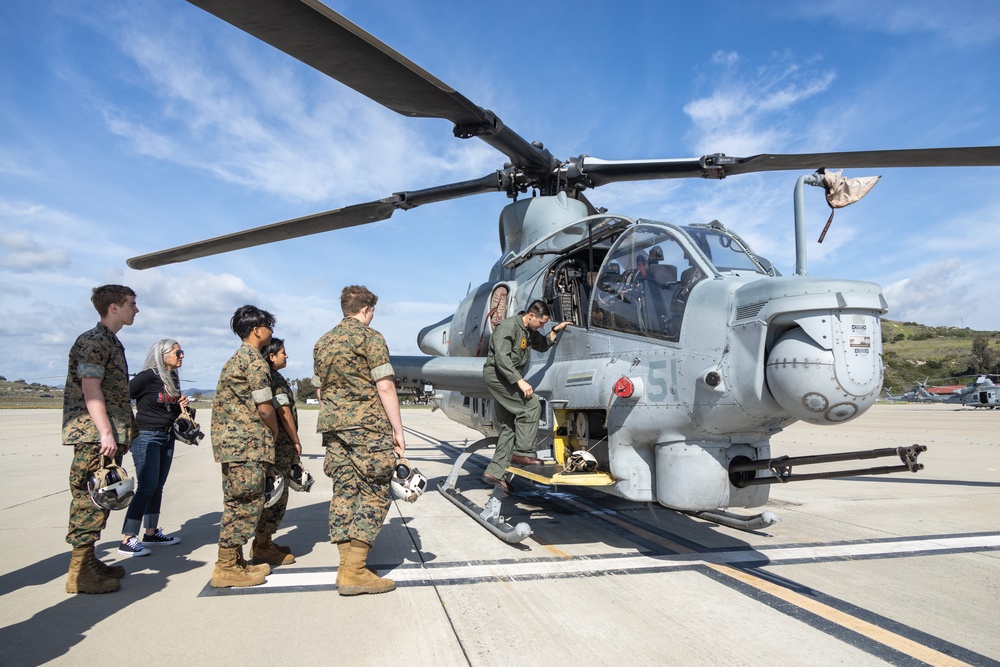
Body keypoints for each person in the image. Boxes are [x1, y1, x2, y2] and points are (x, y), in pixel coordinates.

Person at [314, 285, 405, 596]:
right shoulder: (371, 338)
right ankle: (355, 571)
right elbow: (385, 386)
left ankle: (345, 567)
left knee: (344, 492)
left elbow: (320, 391)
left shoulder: (322, 343)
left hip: (334, 427)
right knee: (376, 493)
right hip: (367, 427)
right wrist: (398, 429)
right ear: (366, 309)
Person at [63, 284, 139, 594]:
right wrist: (106, 433)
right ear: (114, 308)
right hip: (95, 437)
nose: (136, 309)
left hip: (108, 436)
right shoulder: (94, 341)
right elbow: (90, 387)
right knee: (90, 500)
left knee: (103, 498)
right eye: (131, 304)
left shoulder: (110, 341)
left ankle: (88, 562)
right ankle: (80, 573)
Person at [209, 305, 279, 588]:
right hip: (247, 445)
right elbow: (264, 407)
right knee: (245, 504)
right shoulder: (254, 361)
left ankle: (234, 561)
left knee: (237, 501)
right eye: (268, 326)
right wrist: (273, 432)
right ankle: (226, 566)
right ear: (256, 330)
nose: (271, 331)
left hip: (235, 445)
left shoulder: (237, 358)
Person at [482, 300, 571, 492]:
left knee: (508, 427)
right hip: (499, 376)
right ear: (531, 316)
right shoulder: (508, 327)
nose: (542, 326)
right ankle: (522, 452)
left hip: (507, 378)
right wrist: (519, 381)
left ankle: (495, 472)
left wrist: (556, 330)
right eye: (541, 323)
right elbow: (501, 359)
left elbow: (543, 344)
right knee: (531, 407)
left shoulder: (528, 331)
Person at [117, 339, 187, 557]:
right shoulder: (147, 377)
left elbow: (168, 408)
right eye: (178, 352)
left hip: (167, 436)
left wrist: (181, 406)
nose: (182, 356)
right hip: (147, 436)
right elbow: (121, 399)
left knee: (157, 486)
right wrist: (124, 430)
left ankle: (151, 532)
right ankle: (128, 538)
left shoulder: (172, 378)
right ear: (163, 355)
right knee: (146, 486)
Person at [251, 337, 301, 566]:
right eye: (283, 352)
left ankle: (263, 541)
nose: (286, 355)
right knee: (275, 495)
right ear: (271, 357)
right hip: (279, 446)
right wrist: (295, 440)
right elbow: (283, 412)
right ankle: (262, 546)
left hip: (273, 445)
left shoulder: (270, 376)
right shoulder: (275, 379)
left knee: (272, 493)